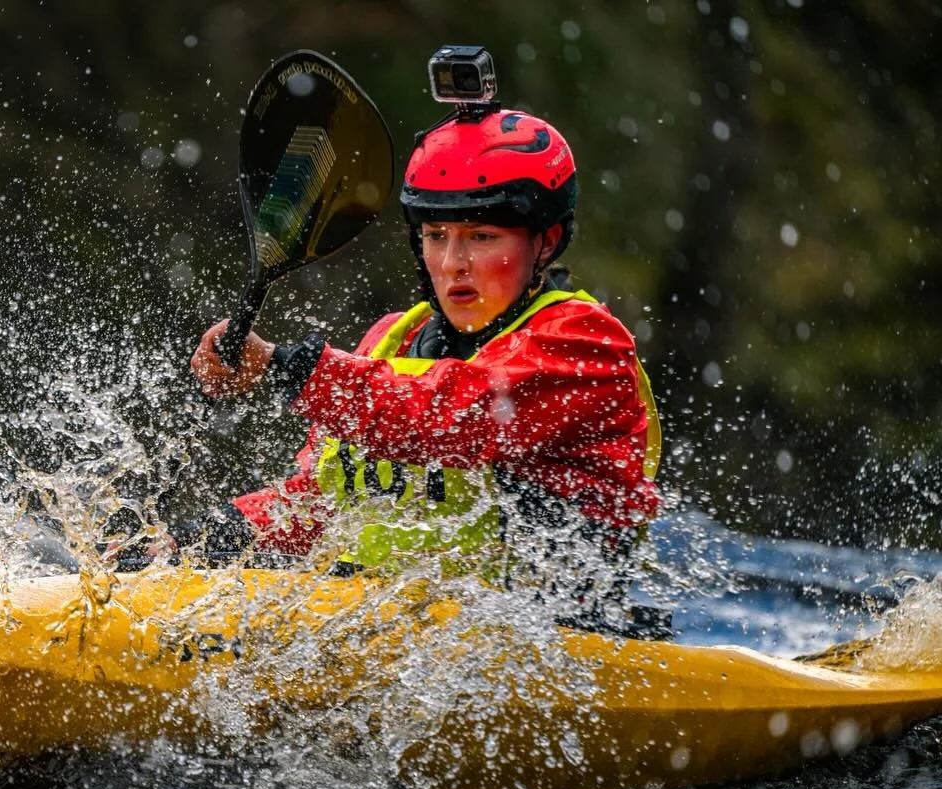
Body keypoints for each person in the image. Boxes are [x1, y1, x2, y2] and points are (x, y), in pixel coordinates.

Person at [183, 102, 663, 626]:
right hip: (389, 635)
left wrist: (284, 366)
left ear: (545, 243)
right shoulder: (392, 340)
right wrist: (212, 536)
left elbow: (453, 416)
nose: (454, 261)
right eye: (436, 236)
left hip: (549, 645)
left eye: (481, 236)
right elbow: (320, 502)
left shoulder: (584, 344)